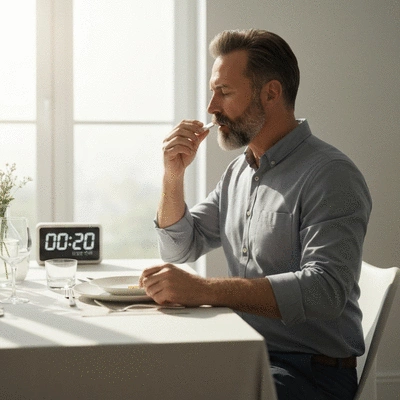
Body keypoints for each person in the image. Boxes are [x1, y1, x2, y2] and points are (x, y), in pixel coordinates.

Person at [139, 29, 372, 399]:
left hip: (309, 374)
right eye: (214, 91)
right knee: (144, 377)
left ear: (271, 93)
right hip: (246, 354)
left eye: (225, 92)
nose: (211, 106)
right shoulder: (239, 172)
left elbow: (325, 290)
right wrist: (173, 174)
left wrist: (204, 290)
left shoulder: (331, 175)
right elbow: (180, 248)